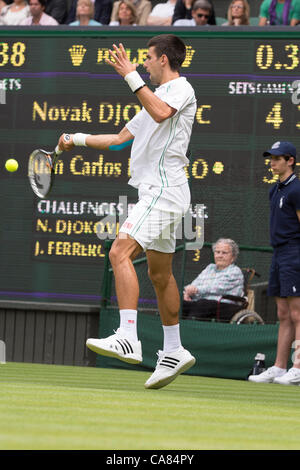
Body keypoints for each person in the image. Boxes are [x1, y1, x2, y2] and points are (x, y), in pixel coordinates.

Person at [58, 34, 197, 390]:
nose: (144, 64)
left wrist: (129, 76)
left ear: (164, 60)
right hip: (163, 192)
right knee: (160, 274)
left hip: (164, 190)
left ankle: (128, 337)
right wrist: (75, 138)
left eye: (148, 58)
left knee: (119, 251)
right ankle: (174, 349)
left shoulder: (180, 90)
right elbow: (120, 138)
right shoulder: (153, 98)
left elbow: (162, 112)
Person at [249, 141, 300, 385]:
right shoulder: (274, 190)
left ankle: (298, 367)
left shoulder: (297, 190)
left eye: (278, 158)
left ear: (290, 161)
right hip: (279, 254)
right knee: (283, 313)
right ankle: (280, 367)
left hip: (295, 253)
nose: (272, 162)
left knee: (297, 313)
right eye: (271, 158)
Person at [182, 239, 244, 321]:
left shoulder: (235, 271)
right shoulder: (210, 268)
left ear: (233, 257)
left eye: (224, 253)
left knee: (202, 304)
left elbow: (217, 288)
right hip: (202, 303)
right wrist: (187, 292)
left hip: (224, 306)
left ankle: (189, 331)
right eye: (217, 252)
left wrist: (196, 290)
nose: (220, 255)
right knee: (179, 303)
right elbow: (195, 283)